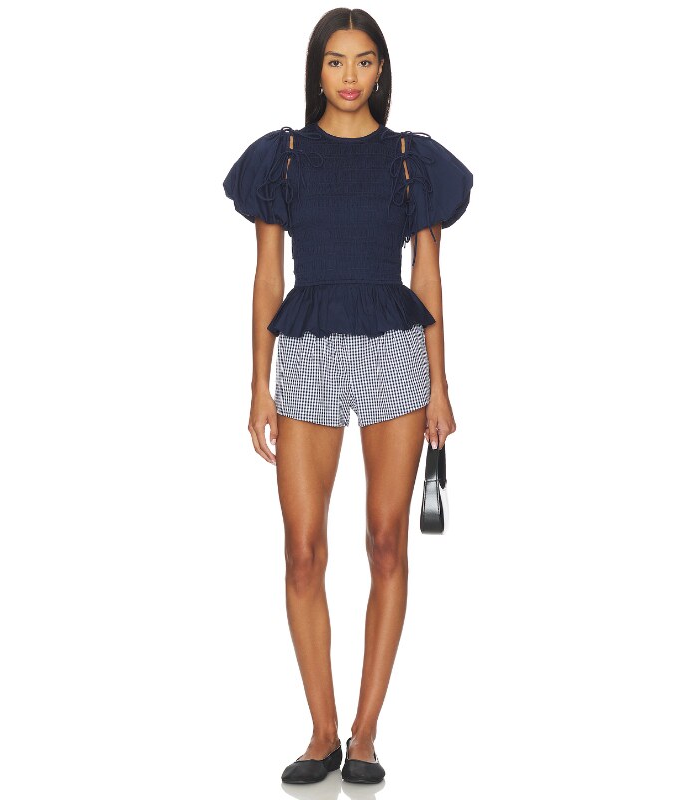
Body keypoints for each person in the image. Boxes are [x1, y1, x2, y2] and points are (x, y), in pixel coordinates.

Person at [223, 8, 473, 786]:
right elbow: (268, 275)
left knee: (387, 542)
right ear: (316, 70)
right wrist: (258, 384)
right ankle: (321, 730)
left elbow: (427, 276)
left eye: (365, 61)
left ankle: (365, 734)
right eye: (336, 62)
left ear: (381, 71)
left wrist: (440, 384)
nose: (351, 77)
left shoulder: (411, 161)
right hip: (308, 351)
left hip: (395, 348)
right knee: (302, 550)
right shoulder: (282, 159)